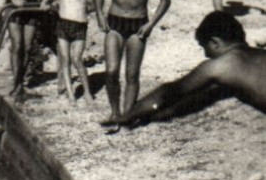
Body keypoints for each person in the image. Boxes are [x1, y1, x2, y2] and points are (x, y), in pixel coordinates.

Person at [104, 11, 266, 129]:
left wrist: (129, 115)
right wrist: (157, 115)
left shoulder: (223, 64)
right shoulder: (258, 56)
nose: (206, 54)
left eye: (204, 47)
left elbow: (170, 91)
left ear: (215, 42)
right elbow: (200, 100)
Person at [94, 0, 172, 120]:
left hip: (138, 26)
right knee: (111, 71)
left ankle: (126, 116)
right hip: (115, 23)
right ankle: (115, 112)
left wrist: (151, 24)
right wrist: (99, 15)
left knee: (131, 74)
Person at [47, 0, 95, 104]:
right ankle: (71, 94)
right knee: (65, 60)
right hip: (62, 25)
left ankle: (87, 92)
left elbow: (93, 4)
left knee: (77, 59)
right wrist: (51, 5)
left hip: (79, 26)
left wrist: (81, 11)